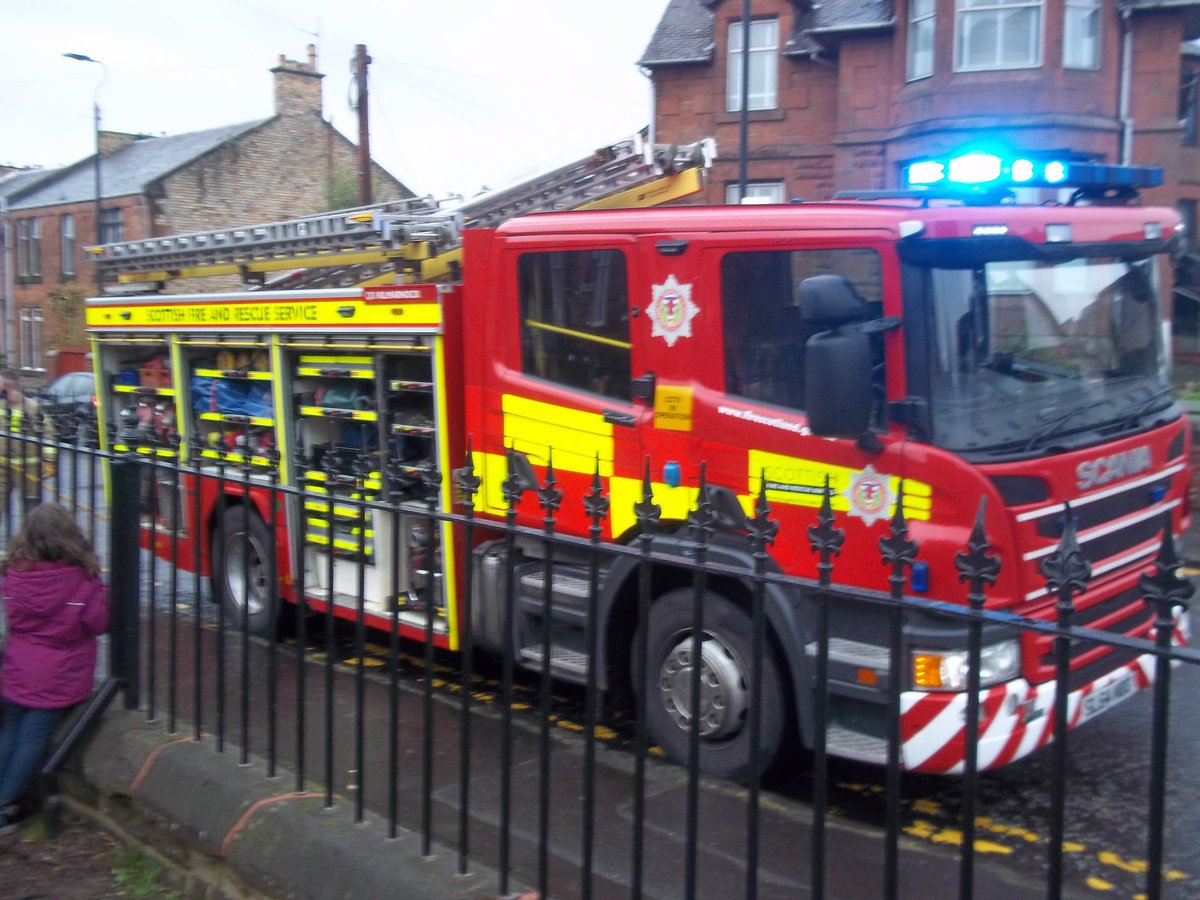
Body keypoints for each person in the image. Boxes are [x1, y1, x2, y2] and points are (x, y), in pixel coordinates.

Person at [0, 503, 108, 834]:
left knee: (11, 729)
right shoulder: (83, 580)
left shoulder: (14, 575)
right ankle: (5, 805)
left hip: (18, 667)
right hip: (57, 676)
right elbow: (97, 623)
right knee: (33, 737)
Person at [0, 369, 55, 522]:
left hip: (27, 467)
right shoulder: (1, 404)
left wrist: (49, 461)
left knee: (31, 507)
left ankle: (32, 539)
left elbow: (48, 433)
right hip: (3, 465)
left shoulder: (32, 407)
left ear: (8, 386)